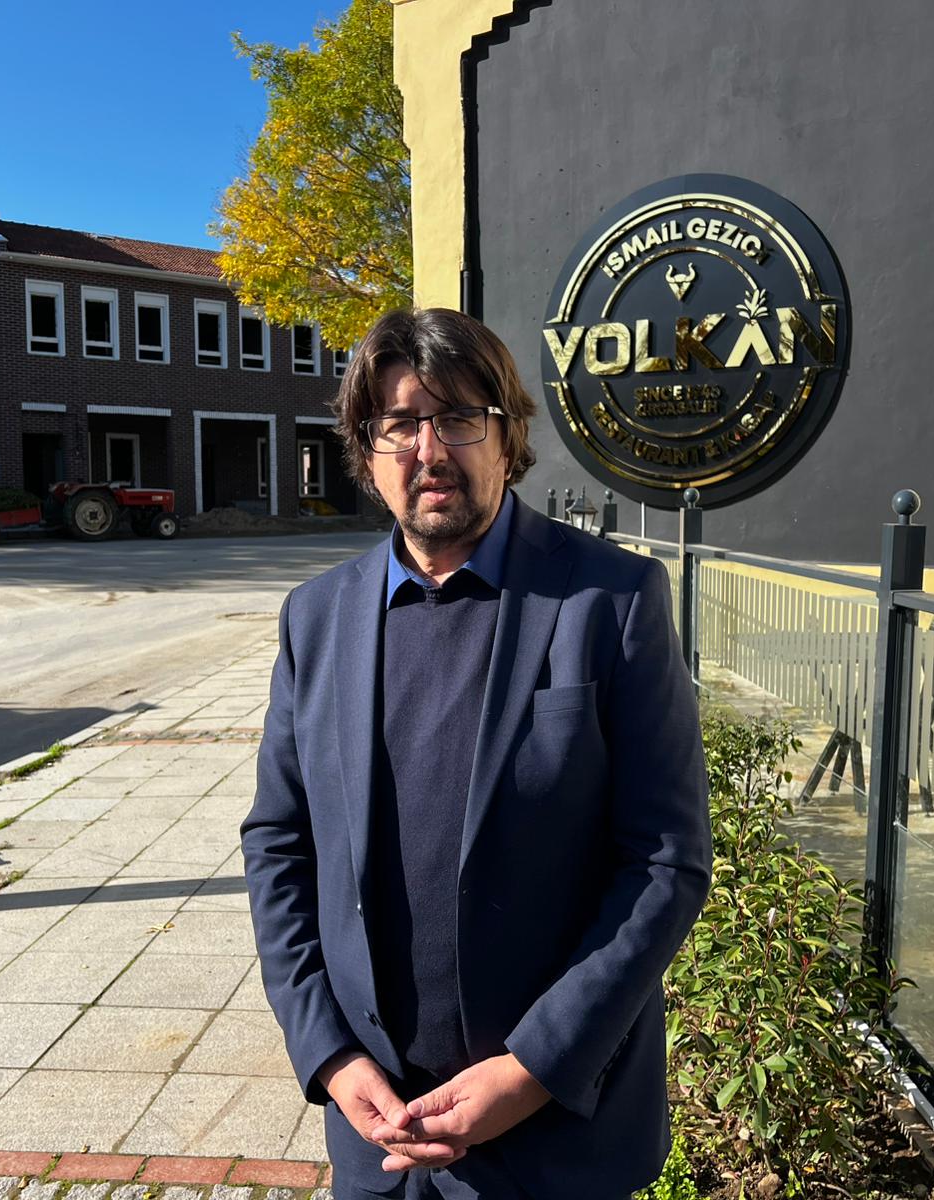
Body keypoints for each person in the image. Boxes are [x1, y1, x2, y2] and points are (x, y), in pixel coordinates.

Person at [242, 307, 711, 1200]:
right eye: (399, 423)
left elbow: (666, 861)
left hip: (556, 1136)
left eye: (459, 418)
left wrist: (534, 1068)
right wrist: (329, 1053)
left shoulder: (610, 601)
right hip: (377, 1133)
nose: (429, 449)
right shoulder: (317, 617)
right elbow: (278, 843)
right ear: (367, 448)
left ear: (507, 436)